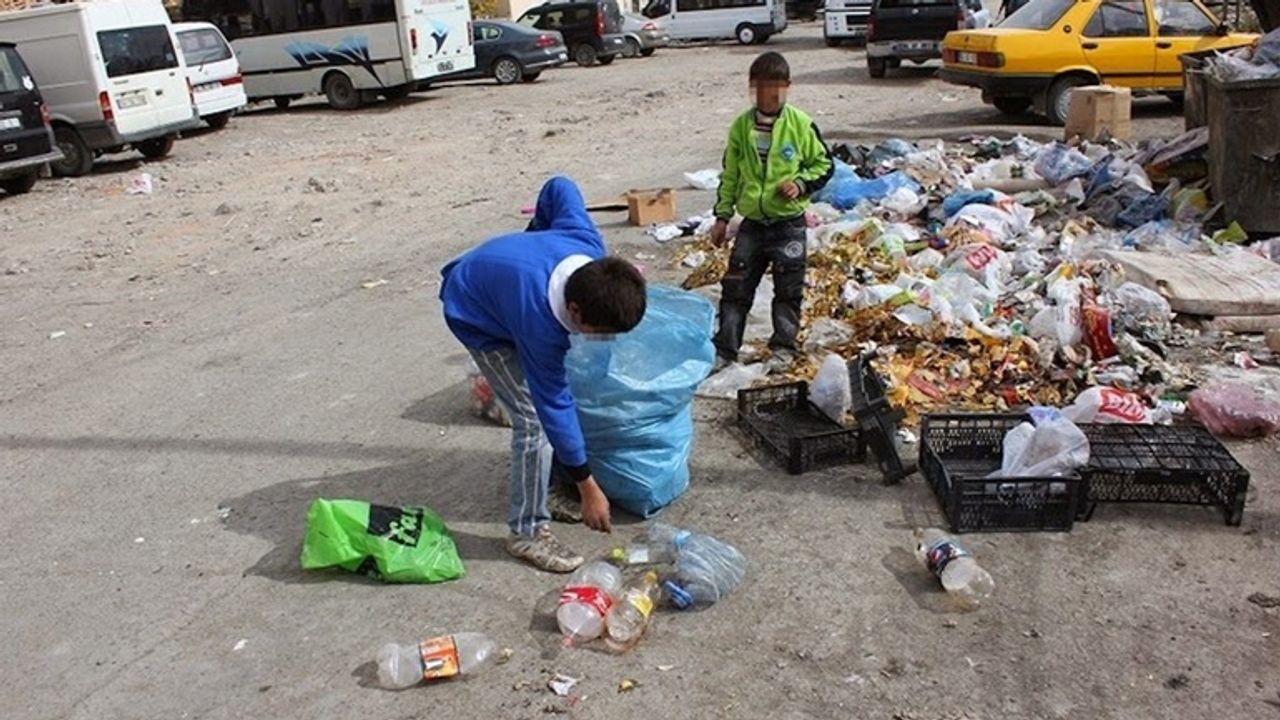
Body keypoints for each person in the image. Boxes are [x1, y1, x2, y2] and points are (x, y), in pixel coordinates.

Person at [440, 177, 647, 573]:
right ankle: (526, 532)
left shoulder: (585, 243)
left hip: (506, 278)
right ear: (573, 310)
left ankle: (542, 483)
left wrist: (537, 235)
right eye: (596, 332)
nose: (599, 340)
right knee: (532, 420)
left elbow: (560, 186)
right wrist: (588, 485)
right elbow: (553, 404)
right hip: (472, 308)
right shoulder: (540, 328)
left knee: (556, 404)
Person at [711, 51, 833, 372]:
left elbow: (823, 165)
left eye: (775, 89)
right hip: (752, 224)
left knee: (788, 291)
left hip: (788, 225)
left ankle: (783, 348)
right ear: (753, 88)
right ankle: (725, 350)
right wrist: (722, 217)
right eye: (762, 89)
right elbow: (730, 175)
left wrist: (800, 183)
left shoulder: (801, 125)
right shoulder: (740, 128)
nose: (768, 96)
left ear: (787, 87)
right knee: (735, 289)